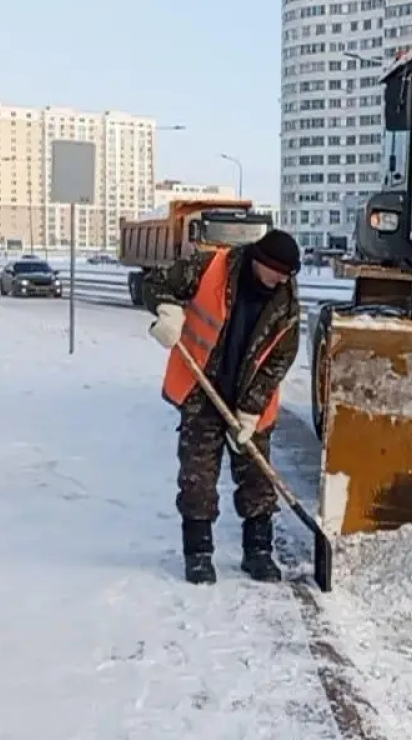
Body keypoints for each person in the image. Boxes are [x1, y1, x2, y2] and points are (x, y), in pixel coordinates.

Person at [143, 229, 302, 585]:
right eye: (278, 272)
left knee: (258, 479)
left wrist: (251, 409)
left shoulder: (286, 304)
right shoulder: (211, 268)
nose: (282, 281)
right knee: (198, 476)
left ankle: (258, 552)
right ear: (261, 262)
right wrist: (167, 311)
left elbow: (280, 358)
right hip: (202, 392)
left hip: (250, 402)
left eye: (288, 275)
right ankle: (198, 554)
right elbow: (150, 281)